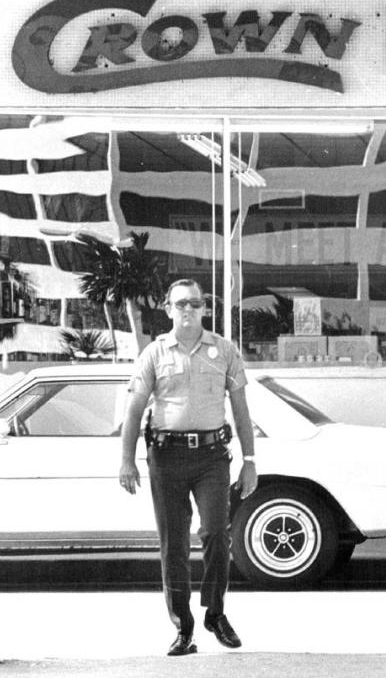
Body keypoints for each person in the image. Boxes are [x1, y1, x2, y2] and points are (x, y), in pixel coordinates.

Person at [119, 279, 257, 657]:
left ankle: (215, 612)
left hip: (212, 457)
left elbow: (241, 409)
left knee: (216, 533)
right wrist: (126, 460)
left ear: (204, 309)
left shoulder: (224, 350)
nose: (188, 310)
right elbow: (133, 410)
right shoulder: (153, 353)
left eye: (195, 303)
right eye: (180, 304)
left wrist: (250, 460)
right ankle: (183, 628)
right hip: (166, 458)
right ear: (167, 308)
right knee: (174, 546)